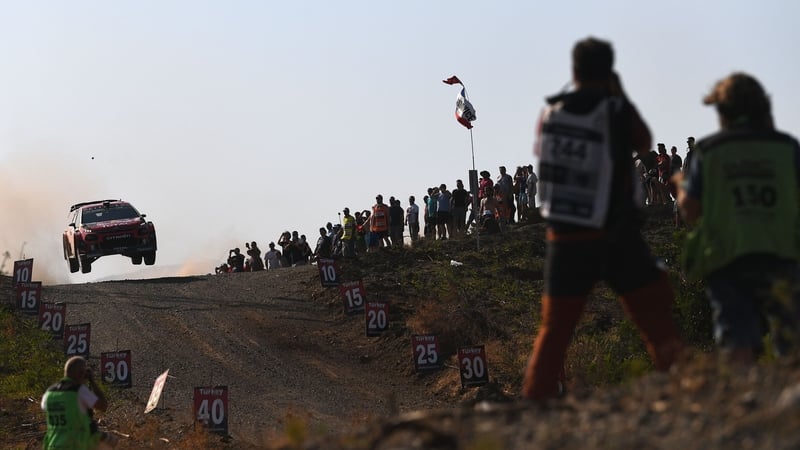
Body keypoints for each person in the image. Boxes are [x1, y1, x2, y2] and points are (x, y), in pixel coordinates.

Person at [523, 37, 683, 400]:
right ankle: (685, 393)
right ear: (609, 71)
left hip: (564, 237)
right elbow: (643, 141)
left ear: (574, 71)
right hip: (615, 235)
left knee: (554, 332)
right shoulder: (615, 110)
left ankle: (531, 410)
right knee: (656, 318)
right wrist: (620, 96)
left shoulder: (550, 114)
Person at [677, 72, 800, 365]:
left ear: (723, 111)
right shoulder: (787, 147)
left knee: (737, 342)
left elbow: (690, 211)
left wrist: (681, 188)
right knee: (792, 341)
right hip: (781, 253)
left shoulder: (709, 151)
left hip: (728, 257)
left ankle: (743, 404)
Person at [41, 356, 111, 449]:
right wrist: (92, 381)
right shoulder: (79, 391)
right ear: (81, 374)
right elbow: (103, 406)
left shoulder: (49, 393)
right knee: (110, 443)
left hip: (53, 446)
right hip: (74, 446)